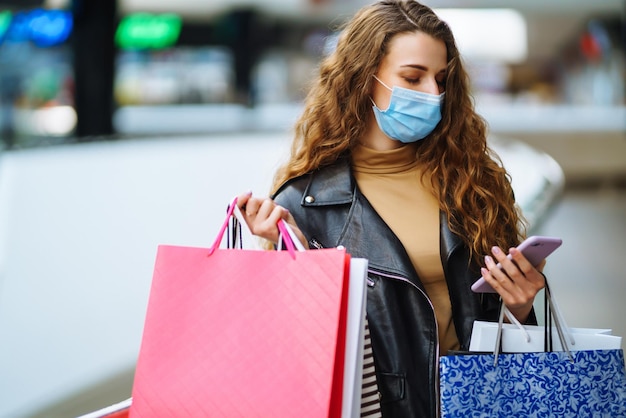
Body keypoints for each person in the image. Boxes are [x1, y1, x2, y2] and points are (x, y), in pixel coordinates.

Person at [236, 0, 546, 416]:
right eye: (413, 77)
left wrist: (521, 307)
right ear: (364, 78)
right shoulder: (304, 203)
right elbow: (298, 348)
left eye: (441, 79)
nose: (434, 94)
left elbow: (499, 323)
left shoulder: (474, 184)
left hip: (477, 402)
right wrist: (285, 252)